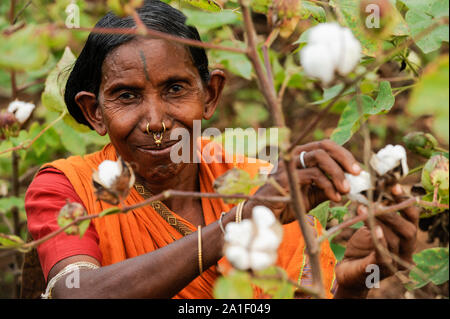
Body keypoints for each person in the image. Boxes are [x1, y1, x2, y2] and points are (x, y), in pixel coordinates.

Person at [25, 0, 419, 299]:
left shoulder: (258, 183)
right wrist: (240, 221)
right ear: (95, 113)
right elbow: (77, 292)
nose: (156, 121)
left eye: (175, 89)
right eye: (126, 96)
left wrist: (352, 280)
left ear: (210, 94)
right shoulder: (65, 187)